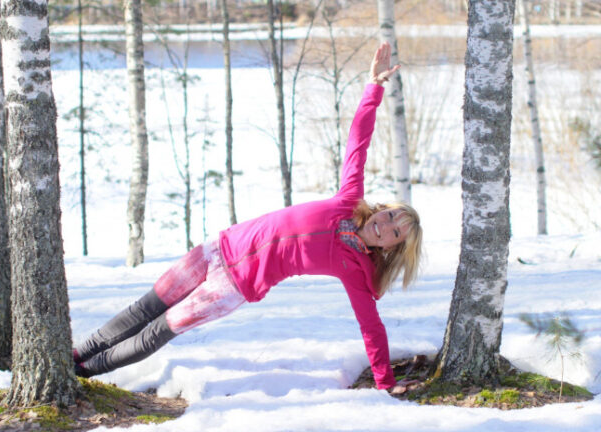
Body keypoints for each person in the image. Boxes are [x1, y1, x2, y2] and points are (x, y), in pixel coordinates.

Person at [73, 42, 423, 395]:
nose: (386, 224)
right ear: (383, 207)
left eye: (395, 232)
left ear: (391, 247)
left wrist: (386, 382)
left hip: (233, 287)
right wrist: (373, 88)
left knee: (158, 330)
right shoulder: (349, 200)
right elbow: (358, 141)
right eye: (392, 214)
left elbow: (371, 327)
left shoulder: (357, 269)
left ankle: (82, 372)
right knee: (146, 308)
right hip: (217, 249)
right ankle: (75, 355)